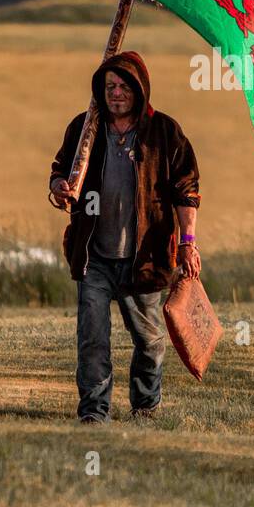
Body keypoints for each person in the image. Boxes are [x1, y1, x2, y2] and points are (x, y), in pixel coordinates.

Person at [48, 50, 201, 424]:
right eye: (109, 86)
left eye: (124, 86)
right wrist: (60, 188)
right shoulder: (84, 129)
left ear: (140, 89)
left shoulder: (164, 132)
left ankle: (145, 407)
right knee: (93, 340)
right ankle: (93, 413)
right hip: (93, 256)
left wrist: (188, 242)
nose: (116, 93)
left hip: (143, 258)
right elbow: (58, 171)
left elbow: (187, 190)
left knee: (149, 341)